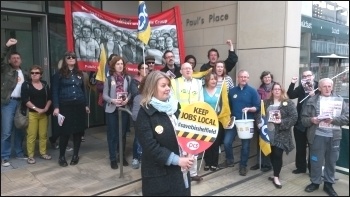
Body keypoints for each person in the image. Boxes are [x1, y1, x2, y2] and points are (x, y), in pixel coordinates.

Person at [135, 71, 194, 196]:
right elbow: (150, 146)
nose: (168, 88)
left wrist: (190, 150)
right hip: (159, 177)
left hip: (180, 172)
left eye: (168, 85)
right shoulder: (145, 113)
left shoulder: (174, 107)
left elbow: (184, 133)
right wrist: (177, 160)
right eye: (163, 85)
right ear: (152, 88)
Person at [302, 78, 349, 196]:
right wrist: (312, 120)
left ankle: (328, 184)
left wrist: (334, 120)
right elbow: (303, 120)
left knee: (331, 161)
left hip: (334, 137)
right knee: (315, 161)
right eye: (324, 86)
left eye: (329, 86)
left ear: (332, 87)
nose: (327, 89)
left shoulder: (340, 100)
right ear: (320, 88)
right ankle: (315, 182)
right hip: (317, 136)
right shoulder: (311, 100)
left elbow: (347, 117)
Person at [52, 51, 90, 167]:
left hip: (79, 105)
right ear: (65, 60)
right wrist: (56, 107)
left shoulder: (80, 74)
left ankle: (75, 155)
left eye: (73, 57)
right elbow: (54, 92)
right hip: (65, 106)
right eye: (68, 57)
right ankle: (62, 156)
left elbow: (83, 90)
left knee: (78, 132)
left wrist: (86, 105)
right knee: (65, 132)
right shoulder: (58, 74)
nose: (71, 58)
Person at [257, 82, 297, 189]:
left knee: (278, 154)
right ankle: (275, 172)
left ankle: (276, 176)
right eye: (275, 89)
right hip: (268, 133)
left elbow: (294, 117)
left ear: (282, 90)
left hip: (282, 134)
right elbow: (259, 114)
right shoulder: (266, 102)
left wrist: (281, 122)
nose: (277, 91)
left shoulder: (288, 103)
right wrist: (259, 122)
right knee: (271, 153)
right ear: (272, 91)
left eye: (279, 89)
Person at [171, 62, 204, 182]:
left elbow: (201, 101)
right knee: (182, 146)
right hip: (181, 119)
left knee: (194, 146)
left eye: (190, 68)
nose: (188, 70)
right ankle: (183, 173)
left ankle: (193, 173)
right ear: (181, 71)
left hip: (195, 119)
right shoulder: (174, 82)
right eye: (185, 69)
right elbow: (172, 100)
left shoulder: (198, 82)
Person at [225, 70, 260, 176]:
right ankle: (230, 160)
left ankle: (243, 166)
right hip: (234, 121)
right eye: (241, 77)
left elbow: (257, 107)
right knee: (227, 142)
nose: (243, 79)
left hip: (246, 123)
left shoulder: (253, 91)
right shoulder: (232, 91)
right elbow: (228, 106)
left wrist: (249, 109)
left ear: (248, 79)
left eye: (245, 77)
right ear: (238, 78)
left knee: (245, 146)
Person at [1, 38, 29, 167]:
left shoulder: (25, 73)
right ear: (9, 60)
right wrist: (7, 46)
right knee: (7, 131)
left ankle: (19, 152)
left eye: (18, 58)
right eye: (13, 58)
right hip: (8, 103)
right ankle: (4, 157)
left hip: (21, 103)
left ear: (21, 60)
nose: (16, 59)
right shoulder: (6, 70)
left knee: (20, 128)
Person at [287, 70, 318, 174]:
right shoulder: (301, 87)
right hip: (300, 122)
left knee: (313, 148)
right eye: (304, 76)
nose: (307, 77)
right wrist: (292, 83)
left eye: (309, 75)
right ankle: (301, 167)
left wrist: (315, 96)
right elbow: (290, 95)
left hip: (313, 123)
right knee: (300, 147)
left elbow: (326, 100)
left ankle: (312, 168)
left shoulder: (319, 86)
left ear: (313, 76)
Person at [103, 56, 131, 169]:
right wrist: (112, 100)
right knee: (112, 135)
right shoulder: (109, 79)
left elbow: (131, 92)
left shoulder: (128, 78)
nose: (120, 66)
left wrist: (128, 99)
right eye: (117, 64)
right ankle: (113, 158)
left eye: (121, 64)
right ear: (113, 66)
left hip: (124, 109)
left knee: (122, 134)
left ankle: (122, 156)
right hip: (112, 110)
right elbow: (105, 95)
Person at [21, 65, 53, 164]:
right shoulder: (26, 85)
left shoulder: (45, 84)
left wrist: (46, 108)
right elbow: (25, 100)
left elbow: (50, 98)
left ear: (41, 75)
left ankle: (43, 153)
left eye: (37, 73)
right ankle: (30, 155)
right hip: (32, 114)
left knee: (43, 134)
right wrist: (36, 109)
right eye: (32, 73)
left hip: (43, 113)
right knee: (31, 135)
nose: (34, 75)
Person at [202, 72, 230, 172]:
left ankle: (214, 163)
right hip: (205, 120)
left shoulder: (220, 90)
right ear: (207, 81)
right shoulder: (202, 90)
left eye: (215, 79)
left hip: (217, 119)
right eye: (211, 79)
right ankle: (207, 162)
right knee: (206, 142)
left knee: (215, 142)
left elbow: (224, 104)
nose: (213, 81)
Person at [250, 71, 275, 172]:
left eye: (268, 77)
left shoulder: (276, 89)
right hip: (261, 119)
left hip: (271, 120)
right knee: (260, 141)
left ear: (271, 78)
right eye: (265, 77)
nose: (267, 79)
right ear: (262, 79)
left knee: (269, 141)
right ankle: (259, 162)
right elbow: (257, 105)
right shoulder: (258, 91)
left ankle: (268, 164)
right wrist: (258, 119)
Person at [129, 62, 149, 169]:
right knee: (137, 136)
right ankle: (135, 157)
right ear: (139, 70)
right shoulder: (134, 81)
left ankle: (144, 157)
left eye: (147, 68)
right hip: (138, 111)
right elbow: (135, 93)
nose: (145, 70)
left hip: (149, 111)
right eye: (143, 68)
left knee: (147, 136)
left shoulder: (150, 81)